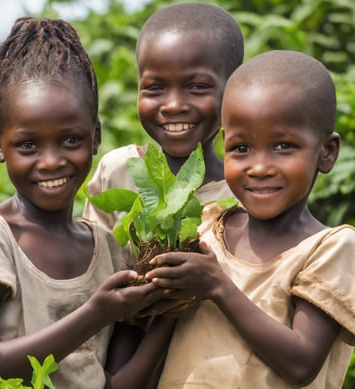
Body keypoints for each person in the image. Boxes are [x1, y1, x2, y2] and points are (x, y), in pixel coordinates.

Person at [0, 17, 175, 389]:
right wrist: (96, 312)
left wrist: (172, 310)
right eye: (28, 145)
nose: (52, 161)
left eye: (71, 140)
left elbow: (117, 384)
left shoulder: (110, 250)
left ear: (96, 136)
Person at [144, 50, 355, 388]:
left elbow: (301, 363)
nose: (258, 168)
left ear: (327, 152)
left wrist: (217, 286)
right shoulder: (208, 229)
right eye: (241, 149)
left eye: (283, 146)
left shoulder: (329, 248)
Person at [83, 2, 244, 230]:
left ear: (234, 90)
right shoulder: (119, 172)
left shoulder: (244, 193)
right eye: (155, 87)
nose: (174, 105)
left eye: (197, 86)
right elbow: (96, 254)